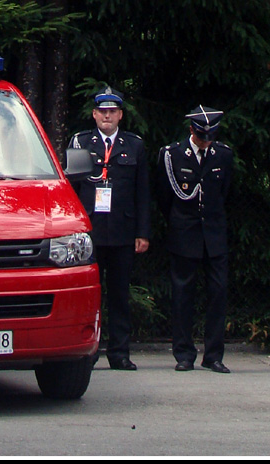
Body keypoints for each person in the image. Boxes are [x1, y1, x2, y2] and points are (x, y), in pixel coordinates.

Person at [68, 87, 151, 371]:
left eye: (112, 112)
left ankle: (119, 353)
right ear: (94, 114)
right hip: (89, 233)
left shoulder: (134, 146)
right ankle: (87, 352)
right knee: (89, 295)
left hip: (122, 232)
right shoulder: (80, 142)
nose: (107, 116)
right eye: (102, 111)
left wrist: (143, 233)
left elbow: (142, 193)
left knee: (119, 295)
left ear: (120, 116)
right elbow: (73, 190)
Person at [157, 105, 234, 373]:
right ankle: (184, 354)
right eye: (202, 136)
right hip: (184, 233)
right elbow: (165, 198)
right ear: (192, 131)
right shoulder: (172, 154)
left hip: (214, 235)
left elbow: (224, 194)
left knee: (218, 293)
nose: (206, 141)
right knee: (182, 294)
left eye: (210, 136)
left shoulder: (222, 155)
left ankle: (213, 355)